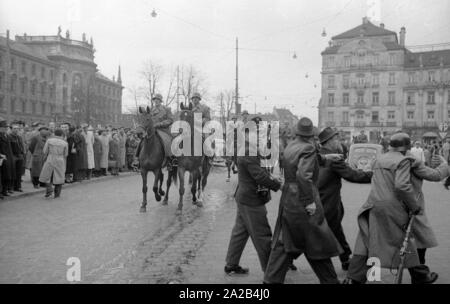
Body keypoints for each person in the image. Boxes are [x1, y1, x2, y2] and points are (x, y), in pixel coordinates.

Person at [344, 133, 435, 284]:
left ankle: (354, 279)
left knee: (367, 241)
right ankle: (420, 276)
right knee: (406, 241)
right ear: (406, 148)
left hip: (373, 204)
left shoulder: (379, 159)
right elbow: (401, 186)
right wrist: (414, 206)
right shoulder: (404, 160)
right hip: (394, 208)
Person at [264, 118, 343, 284]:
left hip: (289, 198)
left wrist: (327, 158)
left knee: (286, 241)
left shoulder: (292, 145)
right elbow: (303, 174)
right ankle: (330, 281)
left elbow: (305, 161)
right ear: (311, 135)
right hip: (302, 198)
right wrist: (309, 201)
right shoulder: (308, 147)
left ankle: (270, 280)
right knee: (316, 239)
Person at [224, 128, 282, 275]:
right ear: (248, 134)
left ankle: (231, 265)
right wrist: (278, 185)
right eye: (257, 133)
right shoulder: (248, 151)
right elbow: (259, 176)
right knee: (262, 235)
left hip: (245, 198)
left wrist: (273, 178)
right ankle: (271, 271)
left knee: (240, 233)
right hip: (251, 200)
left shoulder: (249, 148)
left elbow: (259, 172)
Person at [317, 127, 373, 271]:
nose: (339, 141)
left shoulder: (318, 155)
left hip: (318, 200)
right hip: (328, 203)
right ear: (328, 141)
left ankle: (345, 258)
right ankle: (287, 256)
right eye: (336, 139)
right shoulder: (334, 158)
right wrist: (374, 175)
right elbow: (353, 176)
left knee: (334, 230)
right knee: (322, 231)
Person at [39, 128, 68, 198]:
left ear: (54, 134)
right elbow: (66, 154)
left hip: (50, 158)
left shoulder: (49, 140)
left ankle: (49, 190)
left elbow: (44, 151)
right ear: (61, 135)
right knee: (59, 176)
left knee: (47, 175)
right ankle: (57, 194)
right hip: (60, 159)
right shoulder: (65, 143)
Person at [9, 121, 26, 192]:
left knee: (19, 172)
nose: (16, 130)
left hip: (19, 156)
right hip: (13, 156)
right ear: (11, 129)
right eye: (14, 128)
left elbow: (22, 145)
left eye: (17, 128)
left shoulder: (19, 137)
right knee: (13, 172)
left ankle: (18, 187)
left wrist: (22, 153)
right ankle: (11, 187)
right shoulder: (9, 137)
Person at [0, 119, 15, 197]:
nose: (6, 128)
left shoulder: (7, 136)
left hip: (9, 157)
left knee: (8, 175)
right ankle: (1, 191)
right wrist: (1, 155)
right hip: (2, 158)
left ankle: (5, 191)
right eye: (4, 127)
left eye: (6, 127)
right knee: (2, 176)